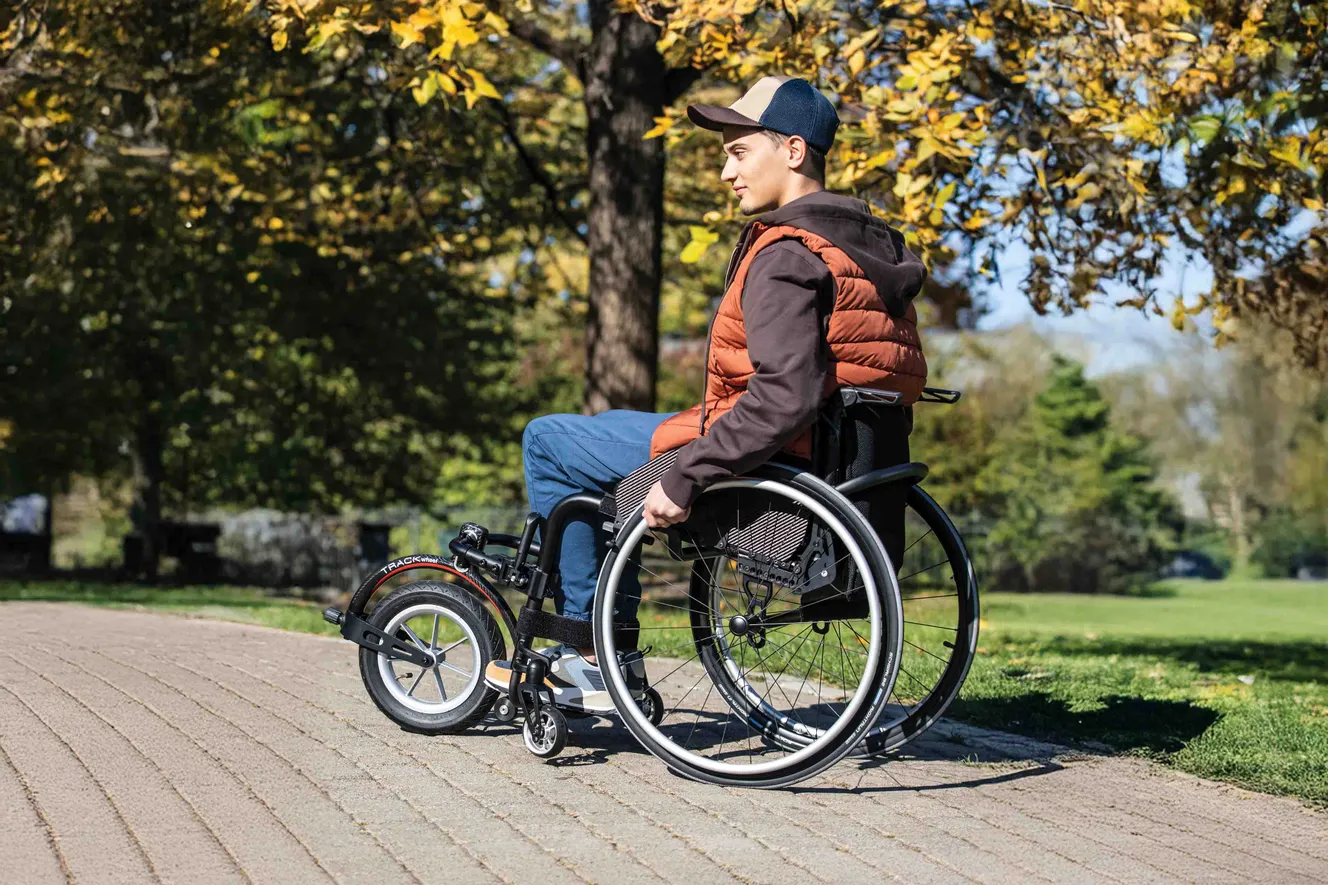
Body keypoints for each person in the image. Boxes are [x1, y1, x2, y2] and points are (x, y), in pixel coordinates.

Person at [484, 75, 928, 709]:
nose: (726, 172)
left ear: (794, 152)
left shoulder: (787, 253)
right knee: (608, 428)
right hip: (833, 470)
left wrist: (685, 476)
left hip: (759, 468)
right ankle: (603, 637)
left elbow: (783, 395)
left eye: (739, 152)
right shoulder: (867, 249)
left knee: (550, 440)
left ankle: (590, 652)